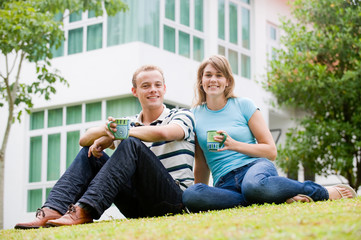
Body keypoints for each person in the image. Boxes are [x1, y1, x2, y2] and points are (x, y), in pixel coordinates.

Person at [15, 65, 195, 229]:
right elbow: (84, 140)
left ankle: (84, 209)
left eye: (157, 85)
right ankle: (53, 209)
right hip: (137, 206)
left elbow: (165, 133)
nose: (153, 90)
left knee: (131, 142)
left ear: (164, 89)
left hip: (172, 200)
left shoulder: (181, 115)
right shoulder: (130, 124)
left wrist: (123, 134)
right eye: (146, 86)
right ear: (135, 91)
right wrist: (106, 130)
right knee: (91, 153)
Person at [182, 55, 357, 212]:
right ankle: (269, 199)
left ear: (227, 81)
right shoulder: (195, 115)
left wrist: (234, 145)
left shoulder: (244, 105)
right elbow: (202, 163)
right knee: (191, 195)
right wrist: (202, 193)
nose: (213, 80)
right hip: (225, 184)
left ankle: (322, 192)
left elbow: (271, 151)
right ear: (201, 81)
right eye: (208, 75)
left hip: (254, 169)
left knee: (253, 186)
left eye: (219, 75)